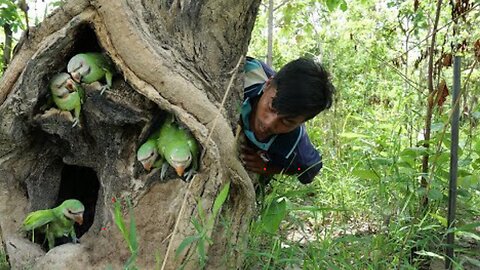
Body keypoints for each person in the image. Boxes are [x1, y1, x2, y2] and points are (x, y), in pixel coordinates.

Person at [239, 56, 335, 185]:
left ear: (301, 123)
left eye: (287, 122)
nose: (269, 123)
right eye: (271, 107)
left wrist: (269, 168)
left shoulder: (295, 147)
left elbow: (308, 170)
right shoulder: (246, 73)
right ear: (267, 85)